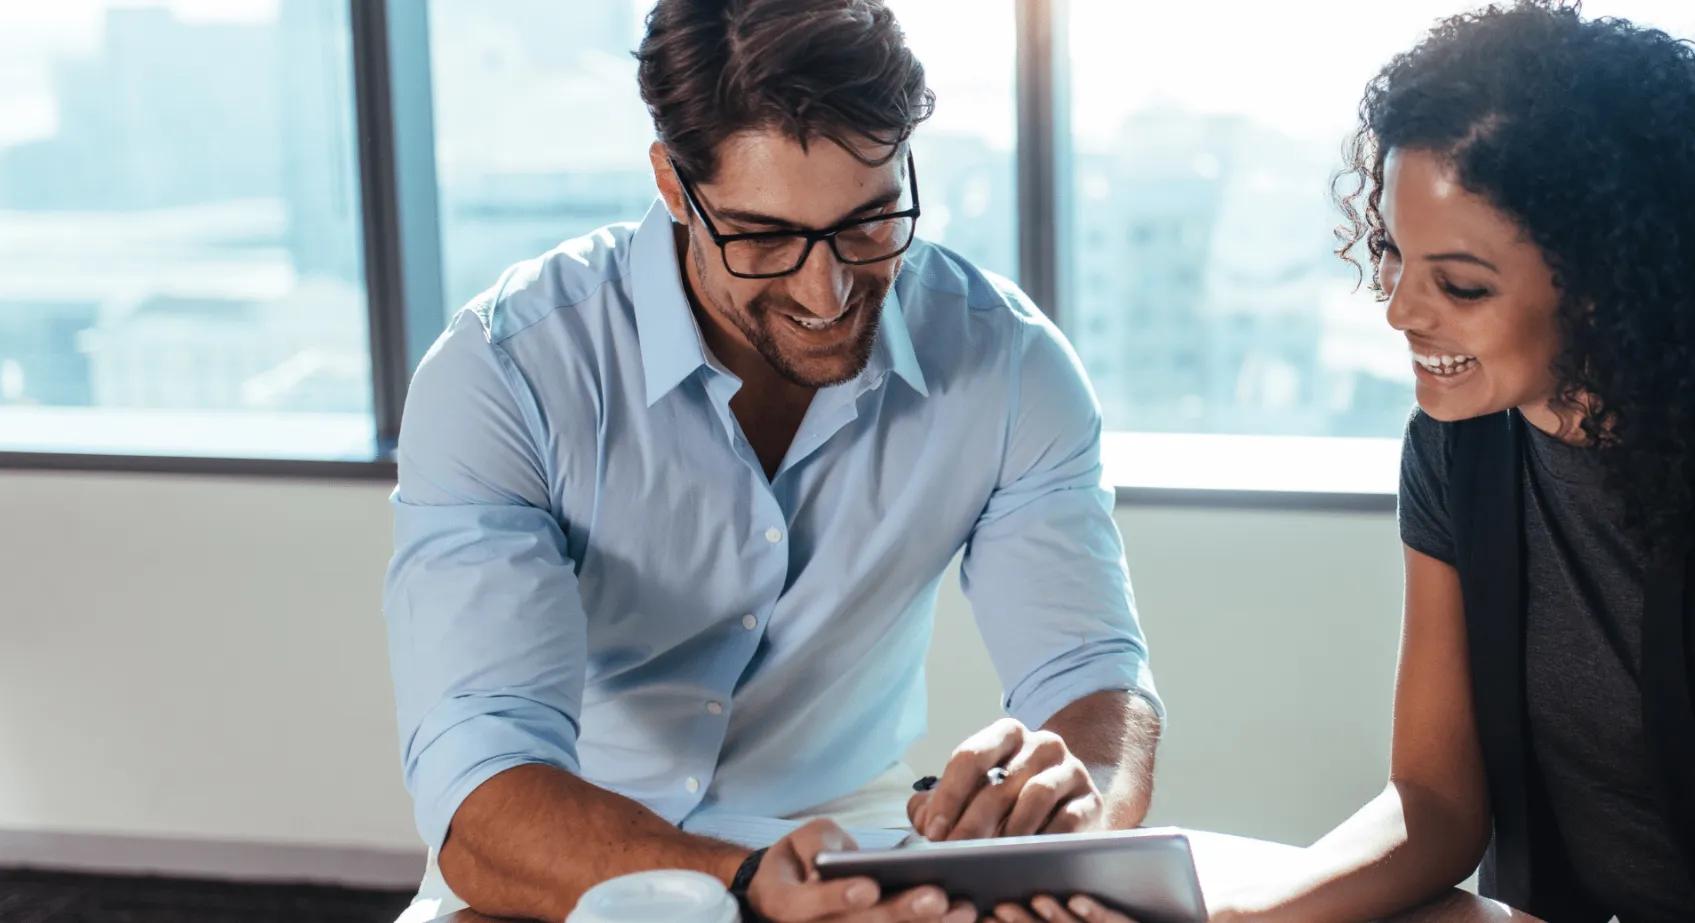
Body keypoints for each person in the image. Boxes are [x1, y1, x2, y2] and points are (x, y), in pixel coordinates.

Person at [382, 1, 1164, 920]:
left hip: (856, 845)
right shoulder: (507, 371)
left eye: (870, 223)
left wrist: (1076, 801)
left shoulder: (1011, 363)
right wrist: (743, 885)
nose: (823, 290)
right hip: (567, 858)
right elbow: (482, 786)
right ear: (675, 188)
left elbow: (1091, 676)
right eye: (764, 238)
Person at [1008, 3, 1695, 922]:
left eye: (1457, 283)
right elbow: (1435, 804)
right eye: (1389, 254)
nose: (1399, 311)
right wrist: (1237, 916)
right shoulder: (1459, 446)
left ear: (1611, 274)